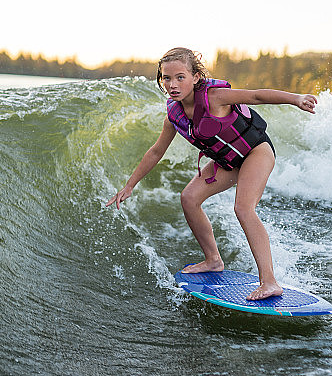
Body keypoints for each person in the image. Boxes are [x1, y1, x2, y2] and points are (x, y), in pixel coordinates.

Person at [106, 47, 317, 300]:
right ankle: (213, 260)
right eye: (167, 78)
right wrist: (130, 186)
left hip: (255, 152)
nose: (173, 84)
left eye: (180, 77)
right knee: (189, 198)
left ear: (195, 77)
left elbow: (257, 96)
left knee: (243, 208)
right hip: (227, 160)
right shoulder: (173, 115)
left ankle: (270, 282)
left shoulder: (215, 96)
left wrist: (295, 99)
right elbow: (155, 152)